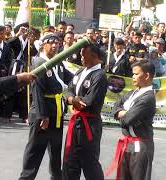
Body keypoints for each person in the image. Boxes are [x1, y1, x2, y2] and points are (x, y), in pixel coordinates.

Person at [19, 33, 72, 180]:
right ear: (43, 44)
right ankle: (26, 178)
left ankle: (56, 177)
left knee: (55, 150)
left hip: (57, 113)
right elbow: (37, 91)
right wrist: (42, 115)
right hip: (43, 114)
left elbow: (70, 78)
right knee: (35, 150)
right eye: (51, 42)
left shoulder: (58, 62)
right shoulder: (38, 62)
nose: (55, 45)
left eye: (57, 43)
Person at [62, 44, 108, 180]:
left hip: (89, 124)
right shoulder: (80, 71)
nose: (80, 57)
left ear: (94, 56)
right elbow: (68, 90)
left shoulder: (99, 76)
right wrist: (71, 99)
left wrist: (74, 100)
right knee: (70, 160)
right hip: (75, 122)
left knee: (89, 162)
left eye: (83, 55)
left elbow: (87, 102)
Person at [105, 60, 156, 180]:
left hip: (141, 144)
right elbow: (115, 107)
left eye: (136, 74)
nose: (133, 77)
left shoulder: (148, 97)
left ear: (147, 75)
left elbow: (128, 120)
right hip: (127, 143)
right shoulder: (132, 93)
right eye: (133, 74)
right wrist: (122, 113)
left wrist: (123, 115)